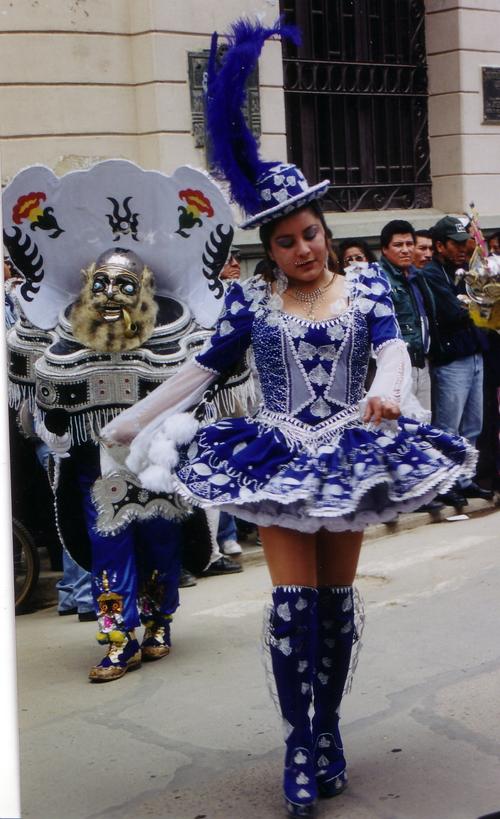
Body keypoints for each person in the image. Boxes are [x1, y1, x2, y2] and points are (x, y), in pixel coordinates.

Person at [101, 19, 477, 817]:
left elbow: (393, 350)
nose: (303, 249)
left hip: (346, 455)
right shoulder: (251, 301)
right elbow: (203, 369)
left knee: (335, 610)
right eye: (286, 241)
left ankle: (331, 727)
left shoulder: (367, 290)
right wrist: (134, 419)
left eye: (310, 234)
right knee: (290, 609)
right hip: (274, 457)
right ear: (268, 250)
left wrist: (387, 386)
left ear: (324, 233)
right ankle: (299, 746)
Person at [422, 216, 492, 506]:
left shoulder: (464, 270)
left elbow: (476, 307)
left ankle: (465, 479)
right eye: (455, 243)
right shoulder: (432, 273)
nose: (463, 248)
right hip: (451, 358)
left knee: (472, 424)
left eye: (465, 242)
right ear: (440, 245)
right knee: (447, 427)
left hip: (473, 351)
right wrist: (480, 302)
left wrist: (478, 302)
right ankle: (445, 483)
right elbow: (453, 312)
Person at [378, 219, 435, 413]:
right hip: (397, 368)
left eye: (409, 244)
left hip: (422, 362)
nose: (405, 250)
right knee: (400, 430)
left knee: (424, 426)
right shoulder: (379, 278)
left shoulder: (416, 275)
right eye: (398, 245)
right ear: (385, 249)